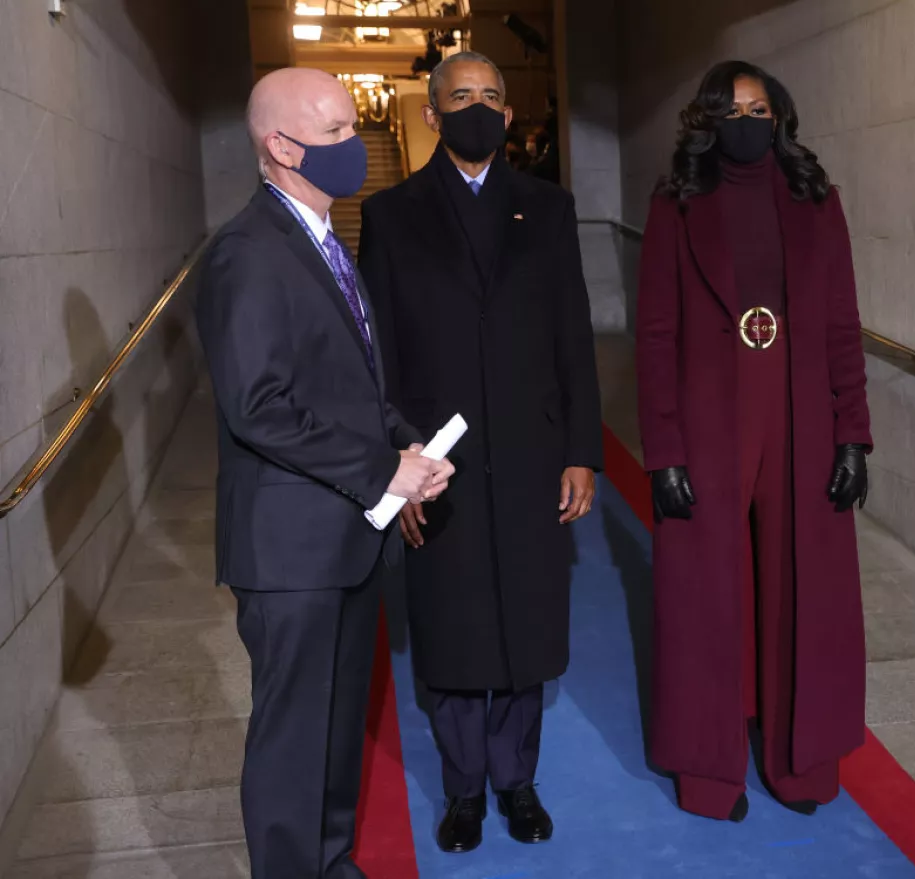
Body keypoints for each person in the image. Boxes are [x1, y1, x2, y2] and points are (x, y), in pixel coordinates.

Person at [194, 67, 456, 878]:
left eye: (354, 127)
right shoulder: (247, 252)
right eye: (338, 132)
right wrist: (383, 467)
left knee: (339, 729)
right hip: (290, 553)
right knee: (292, 744)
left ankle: (332, 862)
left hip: (344, 538)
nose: (359, 144)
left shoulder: (320, 239)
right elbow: (260, 406)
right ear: (280, 145)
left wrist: (406, 447)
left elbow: (347, 382)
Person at [359, 52, 602, 853]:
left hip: (533, 454)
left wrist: (581, 450)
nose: (477, 108)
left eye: (491, 97)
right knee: (454, 624)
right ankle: (463, 786)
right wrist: (400, 463)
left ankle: (516, 778)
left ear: (507, 115)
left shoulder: (549, 208)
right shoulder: (392, 215)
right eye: (459, 95)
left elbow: (573, 336)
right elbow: (379, 354)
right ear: (432, 113)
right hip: (437, 462)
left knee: (527, 620)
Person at [635, 60, 872, 823]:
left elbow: (841, 324)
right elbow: (656, 337)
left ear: (782, 118)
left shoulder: (817, 201)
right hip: (708, 429)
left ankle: (800, 763)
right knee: (706, 594)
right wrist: (664, 451)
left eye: (761, 110)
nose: (749, 122)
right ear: (707, 121)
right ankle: (709, 772)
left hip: (800, 423)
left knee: (806, 594)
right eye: (734, 110)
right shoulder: (674, 207)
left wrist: (852, 434)